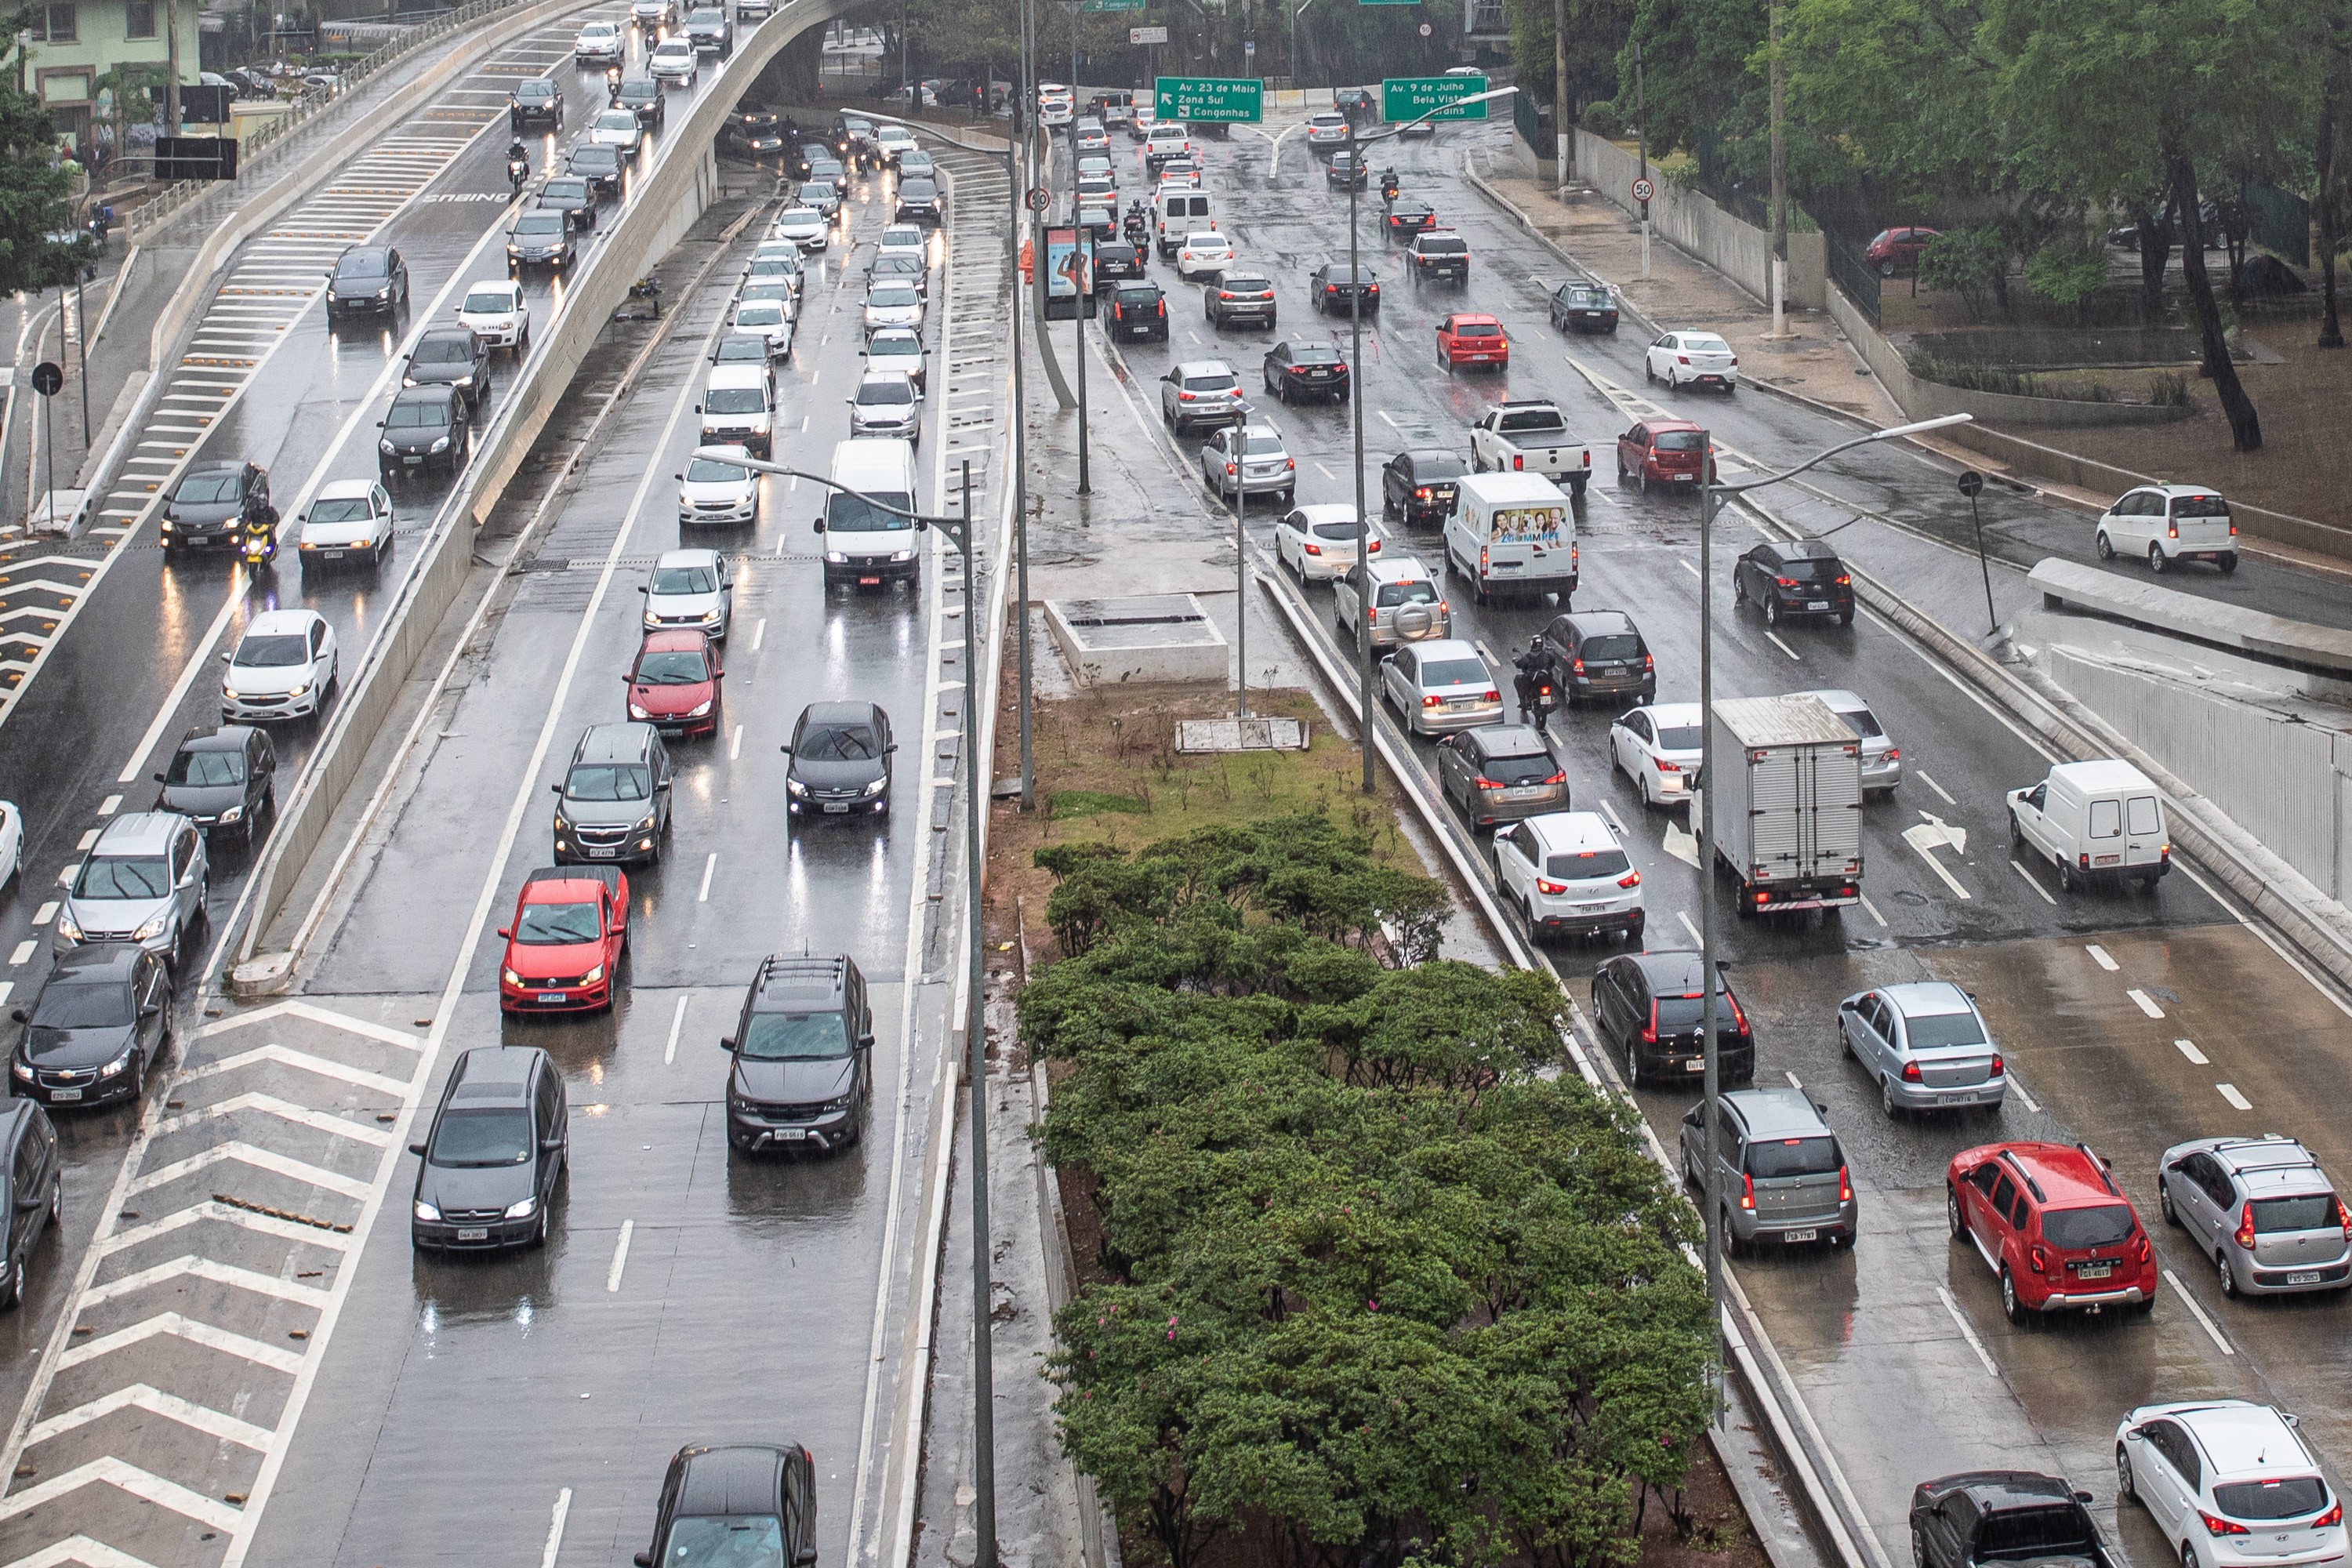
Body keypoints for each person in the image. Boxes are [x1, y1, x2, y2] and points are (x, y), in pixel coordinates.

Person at [1512, 636, 1552, 724]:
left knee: (1518, 679)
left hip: (1533, 681)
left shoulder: (1529, 656)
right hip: (1545, 681)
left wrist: (1516, 662)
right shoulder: (1547, 655)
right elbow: (1553, 662)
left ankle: (1523, 699)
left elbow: (1519, 664)